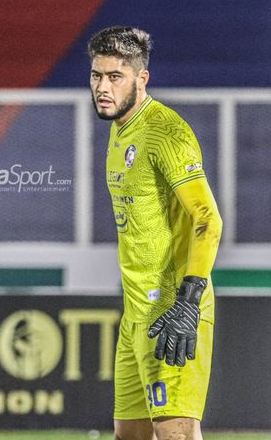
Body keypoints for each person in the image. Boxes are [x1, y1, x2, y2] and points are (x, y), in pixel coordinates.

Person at [88, 26, 223, 440]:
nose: (103, 88)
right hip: (136, 316)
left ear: (141, 79)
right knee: (130, 435)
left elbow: (207, 219)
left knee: (176, 433)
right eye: (96, 76)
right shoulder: (120, 131)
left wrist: (187, 303)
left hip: (173, 309)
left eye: (115, 77)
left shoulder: (165, 131)